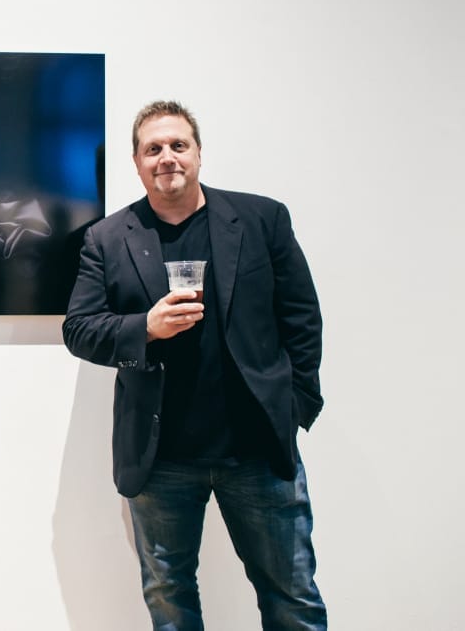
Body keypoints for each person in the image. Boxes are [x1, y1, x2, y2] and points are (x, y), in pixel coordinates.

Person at [62, 100, 327, 630]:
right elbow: (80, 329)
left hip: (256, 446)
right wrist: (145, 327)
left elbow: (301, 316)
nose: (167, 157)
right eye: (152, 149)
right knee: (170, 600)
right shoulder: (108, 239)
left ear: (199, 153)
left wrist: (294, 404)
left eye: (177, 145)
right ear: (136, 163)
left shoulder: (261, 219)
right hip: (162, 458)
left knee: (291, 597)